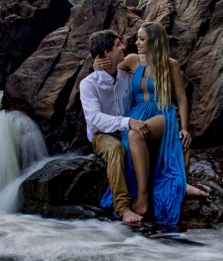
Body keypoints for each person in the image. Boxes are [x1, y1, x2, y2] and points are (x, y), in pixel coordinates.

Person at [93, 22, 207, 225]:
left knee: (135, 135)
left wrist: (184, 128)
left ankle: (143, 196)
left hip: (163, 113)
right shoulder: (132, 60)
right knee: (129, 137)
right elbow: (110, 76)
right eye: (137, 38)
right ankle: (150, 189)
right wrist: (97, 67)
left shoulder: (170, 64)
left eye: (141, 39)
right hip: (136, 113)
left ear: (154, 41)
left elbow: (181, 99)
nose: (136, 42)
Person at [79, 30, 145, 225]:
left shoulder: (127, 74)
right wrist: (128, 122)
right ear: (106, 52)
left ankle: (175, 184)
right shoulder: (88, 84)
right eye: (118, 44)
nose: (124, 47)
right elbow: (95, 119)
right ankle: (123, 208)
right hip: (103, 135)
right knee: (116, 149)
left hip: (128, 130)